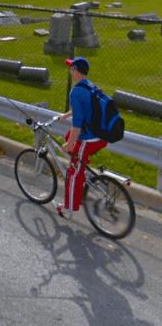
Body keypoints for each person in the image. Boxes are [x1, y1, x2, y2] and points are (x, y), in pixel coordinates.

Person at [56, 56, 108, 218]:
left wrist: (69, 145)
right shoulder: (90, 86)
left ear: (78, 72)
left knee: (72, 173)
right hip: (101, 136)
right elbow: (85, 109)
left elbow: (77, 126)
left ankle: (68, 209)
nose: (71, 72)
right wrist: (66, 115)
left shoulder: (76, 92)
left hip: (89, 139)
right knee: (68, 136)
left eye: (73, 69)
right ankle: (84, 169)